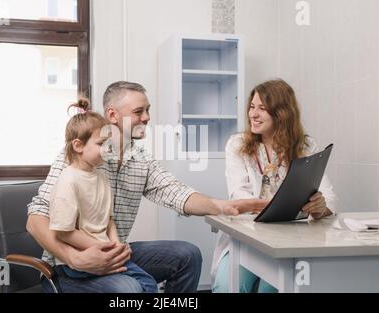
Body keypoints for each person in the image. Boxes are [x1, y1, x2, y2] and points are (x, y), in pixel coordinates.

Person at [27, 81, 267, 293]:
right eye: (139, 111)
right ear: (113, 115)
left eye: (147, 110)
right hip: (66, 269)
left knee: (188, 255)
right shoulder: (80, 157)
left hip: (115, 253)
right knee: (130, 287)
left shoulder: (141, 160)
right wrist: (75, 258)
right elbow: (35, 219)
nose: (147, 118)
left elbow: (177, 193)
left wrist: (222, 206)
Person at [211, 79, 337, 293]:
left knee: (272, 288)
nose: (253, 114)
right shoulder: (237, 145)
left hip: (289, 239)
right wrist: (282, 204)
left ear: (281, 113)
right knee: (226, 286)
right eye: (252, 107)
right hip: (248, 235)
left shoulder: (306, 146)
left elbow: (329, 196)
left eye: (262, 108)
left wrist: (320, 207)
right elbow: (239, 195)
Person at [48, 99, 157, 293]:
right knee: (133, 288)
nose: (108, 149)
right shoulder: (68, 181)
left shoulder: (102, 177)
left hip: (105, 251)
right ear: (78, 146)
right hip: (79, 263)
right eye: (101, 143)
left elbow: (109, 220)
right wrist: (103, 247)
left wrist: (117, 246)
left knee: (148, 284)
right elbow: (63, 232)